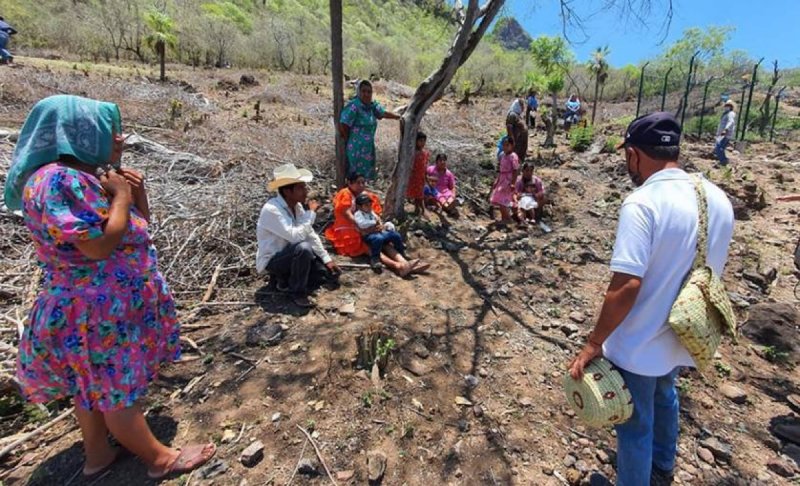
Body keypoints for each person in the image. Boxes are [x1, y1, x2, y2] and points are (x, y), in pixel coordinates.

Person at [5, 95, 216, 479]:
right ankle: (160, 460)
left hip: (99, 305)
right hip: (98, 309)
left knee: (91, 386)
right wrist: (119, 196)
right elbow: (99, 246)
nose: (119, 138)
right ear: (79, 131)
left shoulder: (85, 177)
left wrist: (135, 195)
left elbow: (134, 230)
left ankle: (97, 454)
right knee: (116, 388)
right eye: (110, 130)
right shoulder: (59, 180)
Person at [568, 112, 734, 486]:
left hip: (640, 343)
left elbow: (627, 285)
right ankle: (662, 468)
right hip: (685, 332)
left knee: (633, 425)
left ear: (634, 154)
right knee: (666, 395)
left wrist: (593, 343)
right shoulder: (718, 199)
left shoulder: (643, 202)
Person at [256, 164, 341, 308]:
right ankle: (297, 293)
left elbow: (309, 234)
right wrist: (312, 214)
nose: (305, 191)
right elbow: (295, 237)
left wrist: (327, 259)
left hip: (293, 255)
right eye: (301, 188)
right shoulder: (272, 210)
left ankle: (284, 280)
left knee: (324, 275)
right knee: (304, 248)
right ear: (288, 191)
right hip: (274, 260)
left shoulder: (297, 206)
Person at [326, 172, 428, 277]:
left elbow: (375, 213)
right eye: (358, 183)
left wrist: (378, 225)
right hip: (348, 228)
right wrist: (362, 229)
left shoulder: (365, 195)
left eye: (363, 182)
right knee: (369, 247)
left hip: (366, 226)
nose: (361, 185)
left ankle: (405, 262)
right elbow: (347, 214)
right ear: (350, 183)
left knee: (384, 242)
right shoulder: (345, 193)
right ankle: (397, 266)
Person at [339, 80, 401, 180]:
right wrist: (348, 138)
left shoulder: (372, 106)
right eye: (363, 91)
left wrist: (397, 117)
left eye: (369, 92)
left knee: (364, 178)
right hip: (356, 148)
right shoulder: (354, 106)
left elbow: (383, 113)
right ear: (359, 92)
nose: (366, 94)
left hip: (368, 148)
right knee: (355, 177)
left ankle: (361, 195)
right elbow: (344, 123)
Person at [354, 193, 406, 273]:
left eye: (370, 204)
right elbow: (362, 224)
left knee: (395, 235)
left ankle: (400, 252)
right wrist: (374, 222)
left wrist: (383, 225)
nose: (369, 206)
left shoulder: (371, 212)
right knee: (378, 238)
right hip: (368, 235)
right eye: (366, 205)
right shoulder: (358, 215)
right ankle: (375, 258)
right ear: (359, 207)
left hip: (378, 232)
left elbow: (379, 220)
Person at [490, 137, 520, 224]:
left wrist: (513, 183)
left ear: (512, 145)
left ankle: (507, 219)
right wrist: (497, 180)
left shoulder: (513, 156)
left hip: (509, 180)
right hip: (502, 179)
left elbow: (515, 170)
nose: (505, 147)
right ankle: (505, 218)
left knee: (502, 199)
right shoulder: (502, 155)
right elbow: (501, 170)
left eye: (507, 145)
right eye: (504, 145)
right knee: (499, 197)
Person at [515, 163, 550, 232]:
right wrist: (520, 195)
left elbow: (542, 191)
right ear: (523, 171)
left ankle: (536, 215)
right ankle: (523, 219)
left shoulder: (536, 180)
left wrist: (536, 195)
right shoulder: (518, 180)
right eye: (527, 170)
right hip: (522, 201)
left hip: (534, 200)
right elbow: (515, 192)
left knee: (544, 199)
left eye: (531, 171)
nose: (529, 173)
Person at [407, 131, 430, 215]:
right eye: (420, 141)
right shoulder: (412, 153)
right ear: (416, 141)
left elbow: (425, 166)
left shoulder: (425, 153)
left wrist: (426, 177)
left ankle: (420, 209)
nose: (422, 143)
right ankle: (420, 209)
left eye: (424, 141)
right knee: (416, 194)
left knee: (420, 194)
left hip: (421, 177)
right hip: (413, 177)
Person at [714, 100, 737, 166]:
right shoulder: (725, 114)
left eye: (728, 105)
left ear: (731, 107)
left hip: (725, 134)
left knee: (718, 147)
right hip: (721, 134)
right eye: (726, 105)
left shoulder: (731, 114)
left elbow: (730, 122)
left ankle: (724, 161)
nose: (726, 107)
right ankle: (723, 161)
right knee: (720, 148)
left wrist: (725, 129)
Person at [506, 96, 528, 163]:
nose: (523, 107)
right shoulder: (512, 115)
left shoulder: (518, 115)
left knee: (520, 156)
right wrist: (512, 140)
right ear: (517, 105)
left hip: (521, 141)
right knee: (515, 156)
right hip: (516, 141)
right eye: (522, 105)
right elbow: (509, 127)